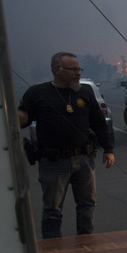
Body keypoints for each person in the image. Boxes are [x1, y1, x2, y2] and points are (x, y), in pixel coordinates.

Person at [18, 52, 116, 238]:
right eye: (73, 69)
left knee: (87, 205)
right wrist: (13, 115)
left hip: (84, 159)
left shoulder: (84, 92)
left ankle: (86, 243)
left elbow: (99, 123)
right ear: (57, 70)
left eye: (79, 69)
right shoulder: (37, 93)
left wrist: (109, 150)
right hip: (53, 162)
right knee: (53, 209)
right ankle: (52, 248)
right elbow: (23, 118)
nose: (78, 73)